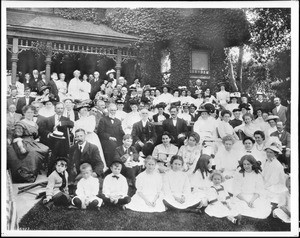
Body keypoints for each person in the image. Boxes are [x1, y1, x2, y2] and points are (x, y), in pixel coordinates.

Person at [7, 105, 49, 183]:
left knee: (45, 148)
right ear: (24, 113)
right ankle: (27, 175)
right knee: (33, 153)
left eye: (31, 112)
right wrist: (21, 147)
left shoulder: (34, 124)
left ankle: (35, 171)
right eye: (28, 112)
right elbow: (17, 137)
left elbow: (35, 136)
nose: (30, 114)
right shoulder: (20, 123)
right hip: (22, 142)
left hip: (32, 142)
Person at [38, 102, 74, 174]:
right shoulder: (48, 119)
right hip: (51, 141)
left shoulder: (66, 119)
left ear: (63, 109)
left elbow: (71, 124)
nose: (60, 110)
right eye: (58, 108)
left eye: (61, 108)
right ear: (54, 109)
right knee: (57, 145)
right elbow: (42, 129)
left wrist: (60, 124)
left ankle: (54, 170)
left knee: (58, 145)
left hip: (63, 142)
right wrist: (49, 134)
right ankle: (55, 170)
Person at [232, 155, 271, 219]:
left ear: (252, 164)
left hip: (253, 197)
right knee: (241, 206)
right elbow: (236, 191)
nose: (246, 166)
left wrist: (251, 200)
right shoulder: (239, 174)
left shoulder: (257, 175)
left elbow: (258, 190)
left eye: (248, 164)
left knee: (260, 207)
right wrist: (246, 201)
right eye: (244, 164)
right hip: (241, 197)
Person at [73, 101, 107, 171]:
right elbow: (74, 132)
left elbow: (91, 129)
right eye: (83, 110)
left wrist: (81, 130)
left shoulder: (91, 118)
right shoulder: (77, 122)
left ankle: (97, 169)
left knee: (94, 152)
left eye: (86, 110)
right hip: (82, 138)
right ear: (79, 112)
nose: (85, 111)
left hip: (91, 137)